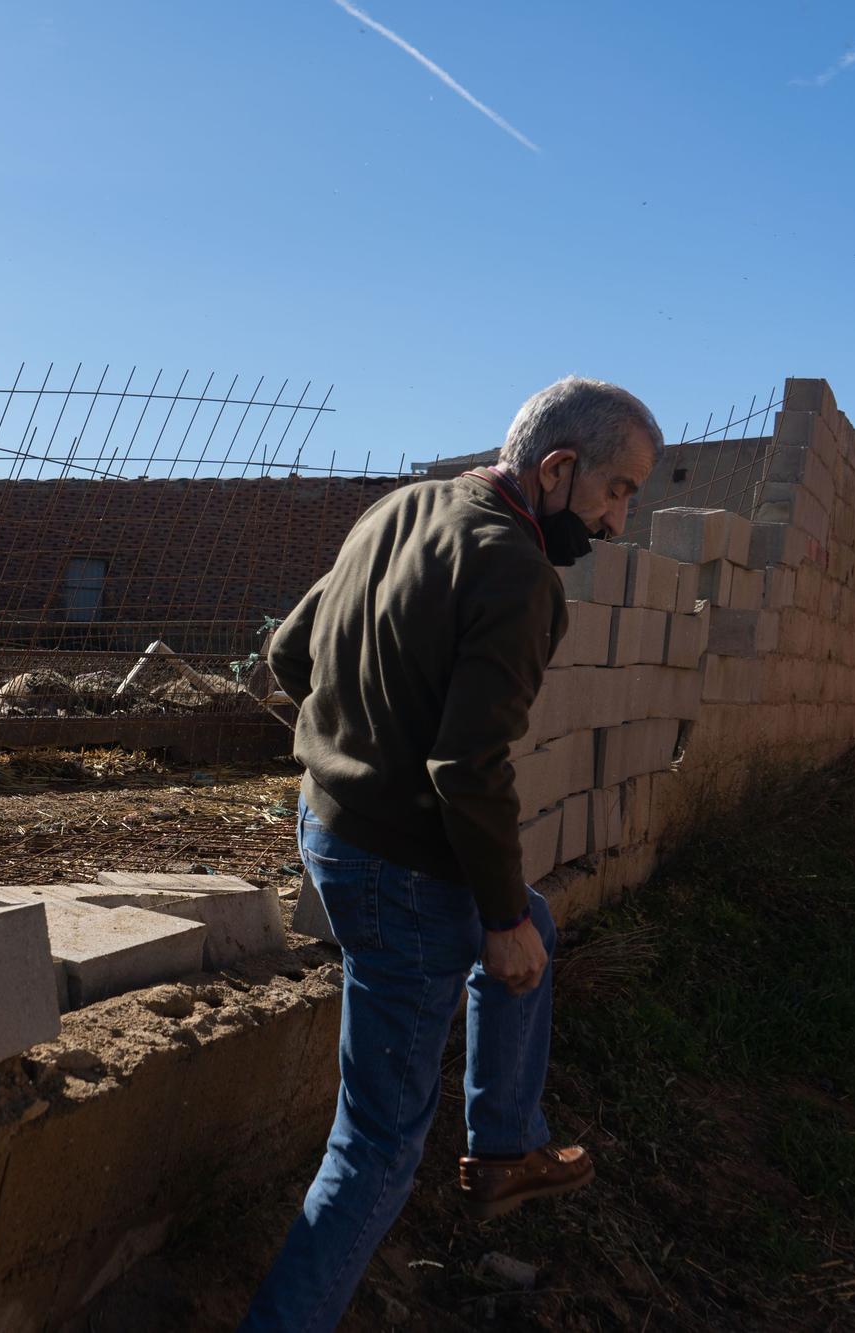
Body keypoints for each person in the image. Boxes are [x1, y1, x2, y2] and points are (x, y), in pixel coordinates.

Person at [241, 376, 661, 1330]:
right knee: (378, 1146)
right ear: (558, 470)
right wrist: (500, 921)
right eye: (616, 492)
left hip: (329, 829)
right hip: (405, 870)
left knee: (534, 923)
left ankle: (508, 1140)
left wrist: (361, 732)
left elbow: (291, 653)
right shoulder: (517, 570)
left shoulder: (398, 510)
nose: (620, 522)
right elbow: (468, 770)